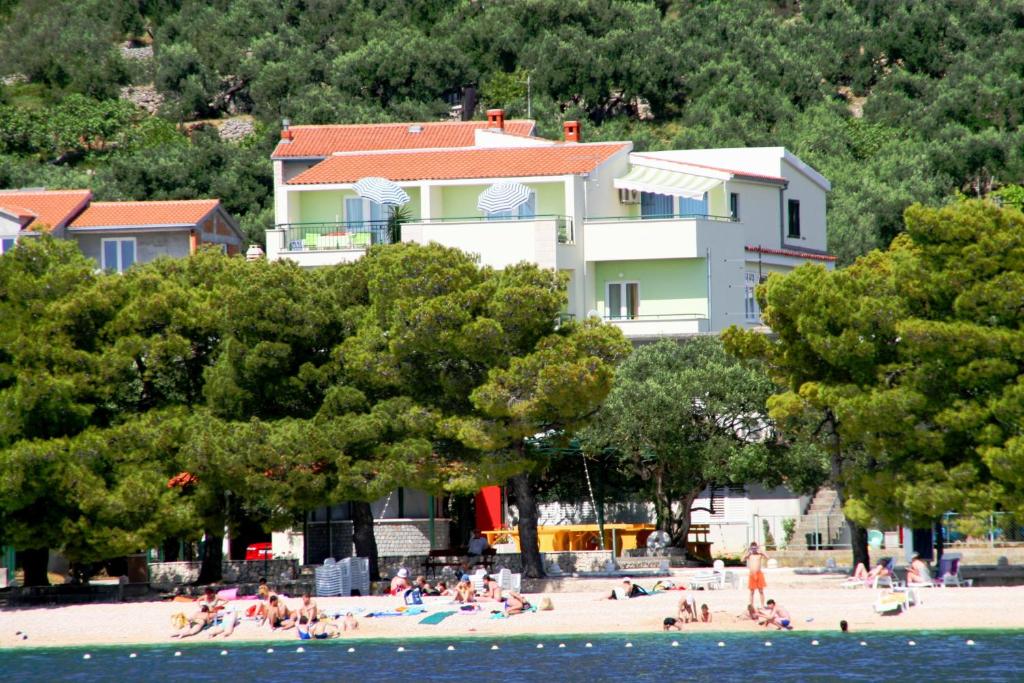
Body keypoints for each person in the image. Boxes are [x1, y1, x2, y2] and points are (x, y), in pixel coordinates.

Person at [743, 542, 769, 609]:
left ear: (757, 548)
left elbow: (767, 557)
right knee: (752, 591)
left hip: (759, 574)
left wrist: (762, 552)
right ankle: (751, 605)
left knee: (761, 591)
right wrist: (747, 553)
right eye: (752, 548)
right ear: (751, 548)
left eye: (755, 548)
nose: (754, 549)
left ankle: (762, 605)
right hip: (752, 574)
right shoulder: (749, 555)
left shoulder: (759, 555)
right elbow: (742, 559)